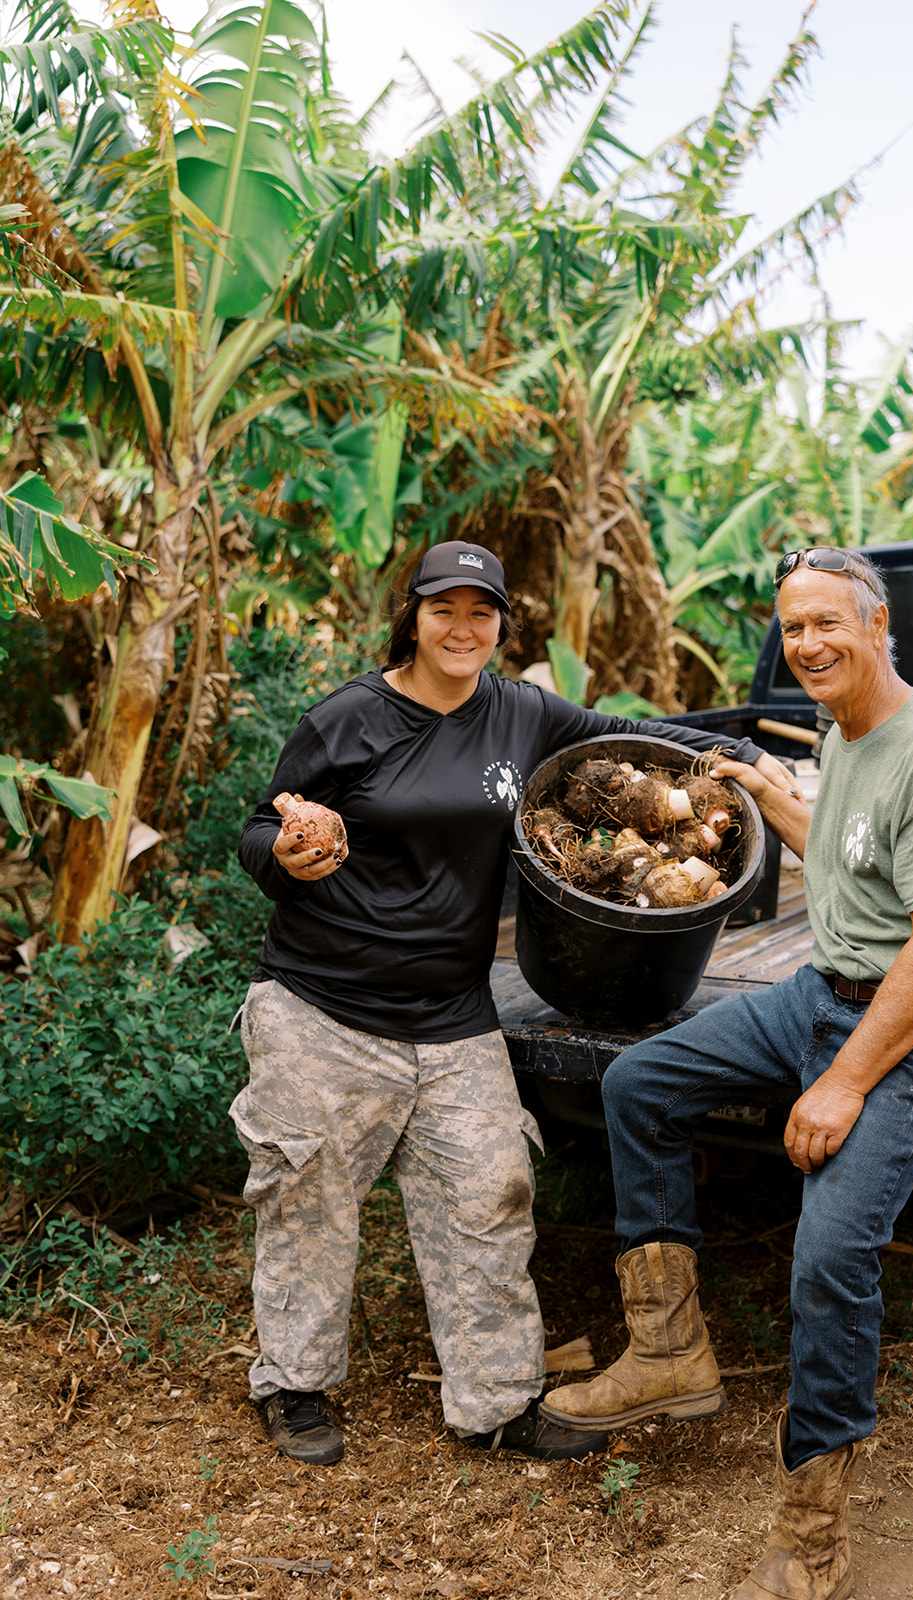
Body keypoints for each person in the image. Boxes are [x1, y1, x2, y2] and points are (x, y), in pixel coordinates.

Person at [230, 539, 781, 1468]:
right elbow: (259, 827)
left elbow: (631, 739)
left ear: (499, 626)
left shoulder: (520, 713)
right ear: (412, 615)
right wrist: (285, 854)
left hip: (452, 1011)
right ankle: (293, 1384)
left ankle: (495, 1401)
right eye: (443, 608)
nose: (461, 627)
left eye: (479, 612)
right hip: (325, 1006)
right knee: (309, 1199)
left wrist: (727, 753)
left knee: (490, 1196)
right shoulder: (349, 718)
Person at [541, 545, 913, 1599]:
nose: (806, 645)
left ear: (878, 622)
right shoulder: (846, 732)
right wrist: (770, 792)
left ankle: (813, 1535)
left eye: (826, 624)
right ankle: (670, 1353)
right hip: (833, 989)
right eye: (792, 628)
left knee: (828, 1250)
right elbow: (850, 856)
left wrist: (843, 1081)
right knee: (639, 1084)